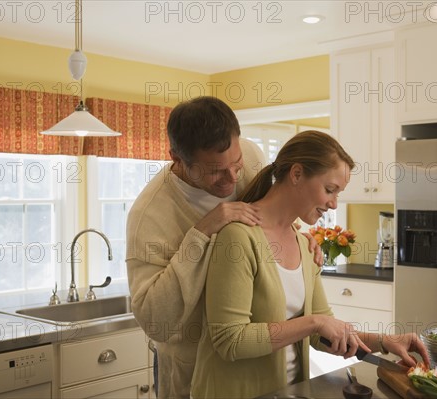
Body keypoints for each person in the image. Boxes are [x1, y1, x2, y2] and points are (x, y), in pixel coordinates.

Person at [190, 130, 430, 399]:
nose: (333, 203)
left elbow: (323, 333)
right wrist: (313, 323)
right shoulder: (237, 238)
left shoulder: (305, 246)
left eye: (338, 193)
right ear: (296, 174)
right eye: (329, 190)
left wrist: (384, 341)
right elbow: (229, 341)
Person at [126, 97, 322, 399]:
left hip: (258, 367)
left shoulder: (252, 156)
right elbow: (155, 322)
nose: (232, 180)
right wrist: (202, 231)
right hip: (189, 375)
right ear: (177, 159)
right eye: (216, 172)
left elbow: (272, 216)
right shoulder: (148, 216)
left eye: (236, 163)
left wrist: (298, 238)